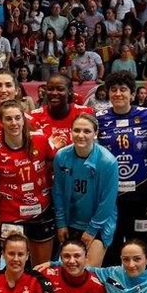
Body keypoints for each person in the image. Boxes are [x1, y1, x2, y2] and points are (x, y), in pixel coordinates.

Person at [0, 99, 57, 264]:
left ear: (24, 119)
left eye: (18, 118)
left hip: (41, 211)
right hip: (11, 215)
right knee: (16, 267)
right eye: (8, 119)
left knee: (42, 268)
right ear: (1, 122)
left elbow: (55, 171)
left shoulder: (41, 140)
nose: (14, 123)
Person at [97, 72, 147, 261]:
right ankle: (114, 289)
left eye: (123, 89)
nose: (118, 94)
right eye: (113, 90)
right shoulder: (98, 119)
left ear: (132, 94)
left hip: (142, 192)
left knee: (140, 244)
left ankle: (141, 288)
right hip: (111, 194)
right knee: (112, 244)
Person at [52, 113, 118, 265]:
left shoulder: (107, 162)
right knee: (69, 269)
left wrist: (92, 230)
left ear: (95, 134)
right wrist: (61, 223)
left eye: (87, 131)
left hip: (99, 223)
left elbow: (107, 201)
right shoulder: (61, 157)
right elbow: (58, 192)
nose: (81, 135)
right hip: (71, 221)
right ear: (71, 132)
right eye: (76, 130)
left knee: (88, 271)